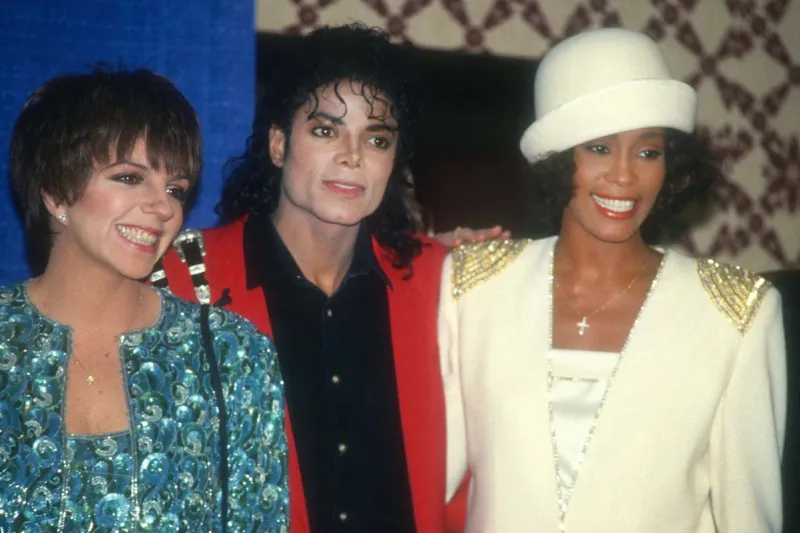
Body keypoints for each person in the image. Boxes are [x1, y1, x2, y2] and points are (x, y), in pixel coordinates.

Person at [439, 28, 786, 532]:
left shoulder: (734, 314)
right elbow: (424, 480)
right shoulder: (472, 288)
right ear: (559, 158)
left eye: (648, 152)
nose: (625, 176)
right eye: (599, 148)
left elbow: (748, 517)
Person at [155, 24, 480, 532]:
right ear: (280, 144)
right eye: (326, 130)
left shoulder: (440, 280)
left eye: (376, 138)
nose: (352, 157)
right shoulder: (180, 278)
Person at [0, 67, 288, 531]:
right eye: (131, 178)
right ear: (55, 192)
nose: (165, 207)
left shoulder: (235, 355)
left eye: (176, 188)